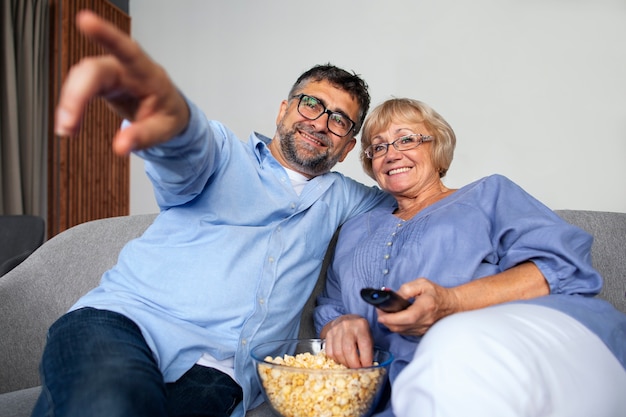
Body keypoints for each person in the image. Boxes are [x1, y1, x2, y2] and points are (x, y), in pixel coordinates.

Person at [33, 11, 395, 417]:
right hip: (124, 326)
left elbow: (416, 205)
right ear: (283, 111)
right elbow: (189, 146)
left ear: (347, 147)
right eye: (311, 104)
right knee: (109, 405)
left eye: (339, 119)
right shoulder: (225, 155)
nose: (320, 123)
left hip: (220, 375)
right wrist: (168, 115)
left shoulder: (346, 198)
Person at [315, 97, 626, 417]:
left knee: (454, 345)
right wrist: (341, 323)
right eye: (378, 147)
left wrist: (451, 302)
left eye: (407, 139)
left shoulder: (488, 195)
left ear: (437, 149)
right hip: (398, 386)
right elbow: (331, 304)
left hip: (508, 351)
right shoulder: (354, 229)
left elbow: (559, 267)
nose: (392, 154)